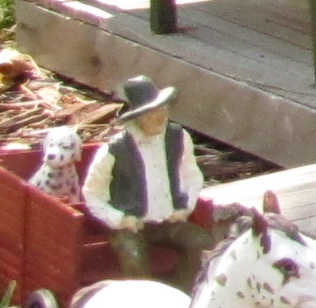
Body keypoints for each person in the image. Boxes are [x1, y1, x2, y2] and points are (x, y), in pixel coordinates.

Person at [79, 74, 218, 279]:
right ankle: (142, 300)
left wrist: (184, 208)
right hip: (132, 226)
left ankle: (185, 293)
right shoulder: (116, 149)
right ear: (139, 117)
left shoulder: (178, 138)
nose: (161, 117)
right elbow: (91, 192)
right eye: (152, 113)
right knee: (133, 255)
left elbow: (191, 175)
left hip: (168, 222)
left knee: (202, 242)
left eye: (163, 109)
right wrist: (120, 219)